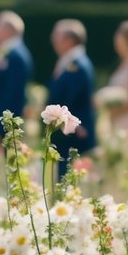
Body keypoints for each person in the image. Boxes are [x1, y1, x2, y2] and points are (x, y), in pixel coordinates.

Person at [46, 19, 97, 173]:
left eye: (57, 36)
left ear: (70, 40)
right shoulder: (70, 62)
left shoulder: (77, 65)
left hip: (73, 134)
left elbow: (70, 100)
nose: (53, 40)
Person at [0, 11, 33, 151]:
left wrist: (0, 129)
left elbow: (12, 96)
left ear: (8, 30)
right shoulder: (8, 53)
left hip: (2, 130)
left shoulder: (17, 56)